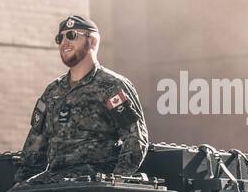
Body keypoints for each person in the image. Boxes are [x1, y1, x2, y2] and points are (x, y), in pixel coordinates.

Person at [16, 15, 149, 183]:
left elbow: (135, 138)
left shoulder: (111, 85)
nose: (64, 42)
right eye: (60, 37)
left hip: (93, 181)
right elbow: (35, 144)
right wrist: (20, 186)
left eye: (72, 35)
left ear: (92, 42)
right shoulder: (53, 91)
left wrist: (116, 181)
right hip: (54, 179)